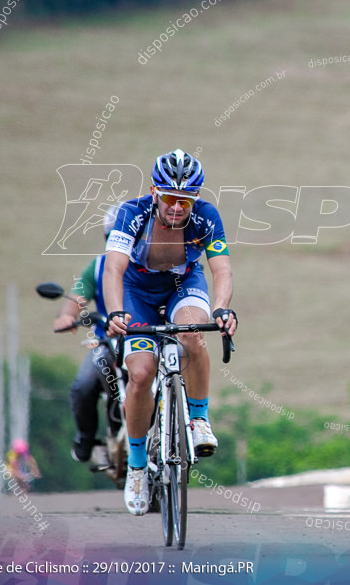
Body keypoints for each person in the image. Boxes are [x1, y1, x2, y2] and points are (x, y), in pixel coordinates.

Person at [104, 149, 237, 515]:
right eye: (170, 198)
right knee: (142, 372)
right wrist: (116, 311)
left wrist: (222, 308)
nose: (178, 208)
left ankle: (198, 418)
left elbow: (221, 269)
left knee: (193, 335)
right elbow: (113, 269)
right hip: (137, 291)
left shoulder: (206, 216)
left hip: (182, 283)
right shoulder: (132, 213)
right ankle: (135, 466)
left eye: (186, 200)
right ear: (154, 192)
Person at [53, 207, 120, 469]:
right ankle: (87, 440)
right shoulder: (99, 267)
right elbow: (76, 297)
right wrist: (67, 315)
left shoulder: (151, 264)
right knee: (83, 385)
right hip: (109, 342)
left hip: (149, 339)